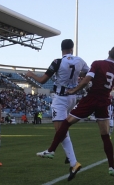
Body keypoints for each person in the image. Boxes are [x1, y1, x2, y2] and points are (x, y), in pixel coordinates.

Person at [36, 46, 114, 180]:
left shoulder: (98, 63)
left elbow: (87, 79)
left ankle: (51, 150)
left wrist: (75, 90)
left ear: (109, 52)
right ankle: (112, 167)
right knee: (105, 136)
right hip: (104, 101)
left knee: (66, 122)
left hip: (91, 98)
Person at [26, 39, 89, 181]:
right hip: (72, 98)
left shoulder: (57, 62)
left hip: (60, 99)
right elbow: (88, 75)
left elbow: (42, 80)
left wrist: (31, 75)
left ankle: (72, 162)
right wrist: (78, 82)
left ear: (62, 49)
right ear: (72, 49)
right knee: (63, 129)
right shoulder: (80, 60)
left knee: (60, 130)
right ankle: (69, 158)